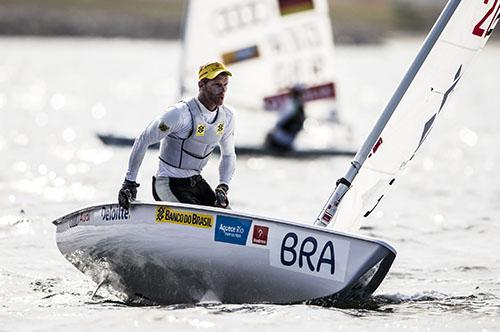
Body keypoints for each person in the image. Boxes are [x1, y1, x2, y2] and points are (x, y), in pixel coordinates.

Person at [118, 62, 236, 210]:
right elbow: (144, 139)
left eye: (225, 85)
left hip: (196, 183)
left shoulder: (228, 117)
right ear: (201, 85)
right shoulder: (179, 114)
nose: (223, 90)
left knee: (229, 224)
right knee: (198, 221)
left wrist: (223, 186)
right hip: (167, 183)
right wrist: (129, 182)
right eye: (217, 85)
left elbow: (229, 155)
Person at [264, 84, 306, 152]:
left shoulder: (289, 104)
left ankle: (269, 148)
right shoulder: (298, 106)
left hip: (282, 140)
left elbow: (279, 124)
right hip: (288, 140)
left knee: (269, 134)